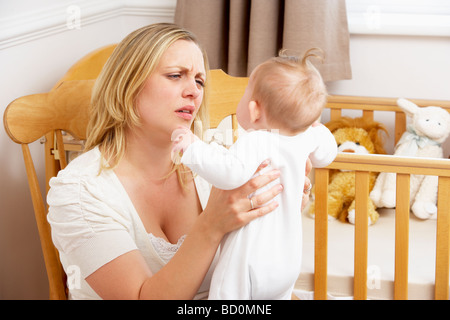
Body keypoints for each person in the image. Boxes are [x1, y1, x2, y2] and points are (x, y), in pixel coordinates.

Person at [46, 23, 313, 300]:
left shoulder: (216, 163)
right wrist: (211, 224)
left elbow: (254, 268)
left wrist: (275, 209)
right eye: (175, 75)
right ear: (128, 85)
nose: (194, 91)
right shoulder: (79, 192)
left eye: (199, 81)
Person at [172, 49, 337, 299]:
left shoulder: (257, 141)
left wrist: (192, 147)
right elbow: (327, 154)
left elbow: (229, 172)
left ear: (254, 110)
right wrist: (316, 126)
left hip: (251, 259)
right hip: (288, 260)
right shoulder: (307, 137)